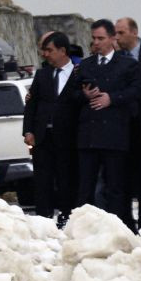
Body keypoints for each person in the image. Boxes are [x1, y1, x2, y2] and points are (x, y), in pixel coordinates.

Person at [74, 19, 141, 229]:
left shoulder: (128, 64)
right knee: (86, 186)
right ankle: (84, 229)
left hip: (114, 134)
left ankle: (118, 228)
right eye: (94, 38)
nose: (97, 43)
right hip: (89, 135)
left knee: (115, 187)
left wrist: (112, 98)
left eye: (101, 38)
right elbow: (71, 96)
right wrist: (84, 95)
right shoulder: (85, 65)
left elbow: (137, 90)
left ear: (113, 38)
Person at [22, 32, 82, 225]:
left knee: (66, 178)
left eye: (49, 50)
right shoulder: (42, 74)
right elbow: (32, 105)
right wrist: (28, 131)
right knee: (42, 180)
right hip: (43, 137)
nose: (45, 54)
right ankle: (43, 218)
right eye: (44, 50)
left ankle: (67, 215)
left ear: (62, 51)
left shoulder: (78, 73)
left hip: (67, 137)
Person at [114, 17, 141, 230]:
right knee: (123, 178)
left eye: (121, 33)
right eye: (116, 33)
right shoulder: (115, 59)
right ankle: (126, 222)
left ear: (134, 32)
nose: (117, 37)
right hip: (122, 128)